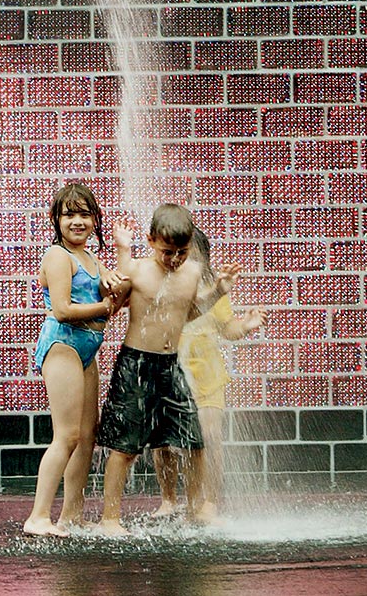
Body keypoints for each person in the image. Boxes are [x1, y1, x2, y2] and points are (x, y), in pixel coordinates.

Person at [95, 203, 240, 536]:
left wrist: (218, 290)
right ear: (150, 242)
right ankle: (110, 519)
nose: (174, 259)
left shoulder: (191, 273)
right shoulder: (138, 269)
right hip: (137, 364)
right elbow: (113, 301)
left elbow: (187, 313)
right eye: (167, 252)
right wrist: (119, 251)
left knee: (194, 440)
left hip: (170, 365)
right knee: (125, 446)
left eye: (181, 252)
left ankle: (196, 509)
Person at [23, 180, 130, 537]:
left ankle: (71, 515)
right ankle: (39, 516)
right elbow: (64, 310)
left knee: (87, 436)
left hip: (88, 348)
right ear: (56, 219)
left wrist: (120, 265)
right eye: (69, 215)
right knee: (66, 435)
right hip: (63, 346)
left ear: (95, 219)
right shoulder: (58, 256)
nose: (77, 222)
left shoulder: (90, 258)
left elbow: (116, 293)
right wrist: (105, 307)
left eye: (84, 214)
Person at [153, 228, 267, 523]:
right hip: (169, 375)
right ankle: (169, 499)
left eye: (192, 256)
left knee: (210, 437)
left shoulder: (214, 290)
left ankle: (210, 504)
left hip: (207, 377)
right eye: (179, 255)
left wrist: (246, 325)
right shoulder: (162, 287)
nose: (185, 262)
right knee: (164, 441)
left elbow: (227, 330)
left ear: (205, 261)